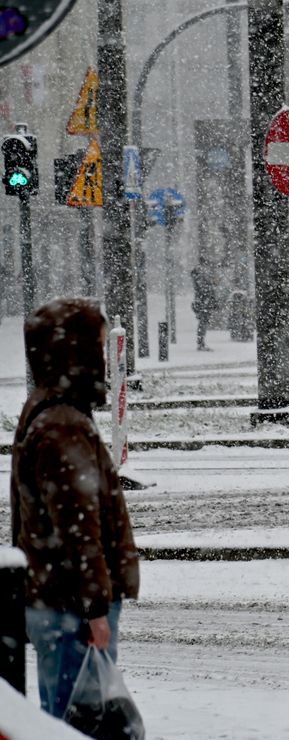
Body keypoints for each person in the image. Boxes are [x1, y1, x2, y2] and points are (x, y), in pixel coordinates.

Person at [10, 298, 140, 718]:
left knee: (67, 719)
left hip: (57, 602)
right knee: (83, 723)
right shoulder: (63, 423)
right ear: (76, 352)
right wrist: (94, 610)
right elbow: (77, 527)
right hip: (70, 611)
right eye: (97, 348)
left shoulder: (47, 412)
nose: (101, 359)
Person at [191, 260, 216, 351]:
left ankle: (201, 342)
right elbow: (205, 291)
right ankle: (201, 343)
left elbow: (205, 290)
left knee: (203, 323)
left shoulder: (199, 278)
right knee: (203, 323)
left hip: (202, 303)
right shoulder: (201, 278)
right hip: (203, 304)